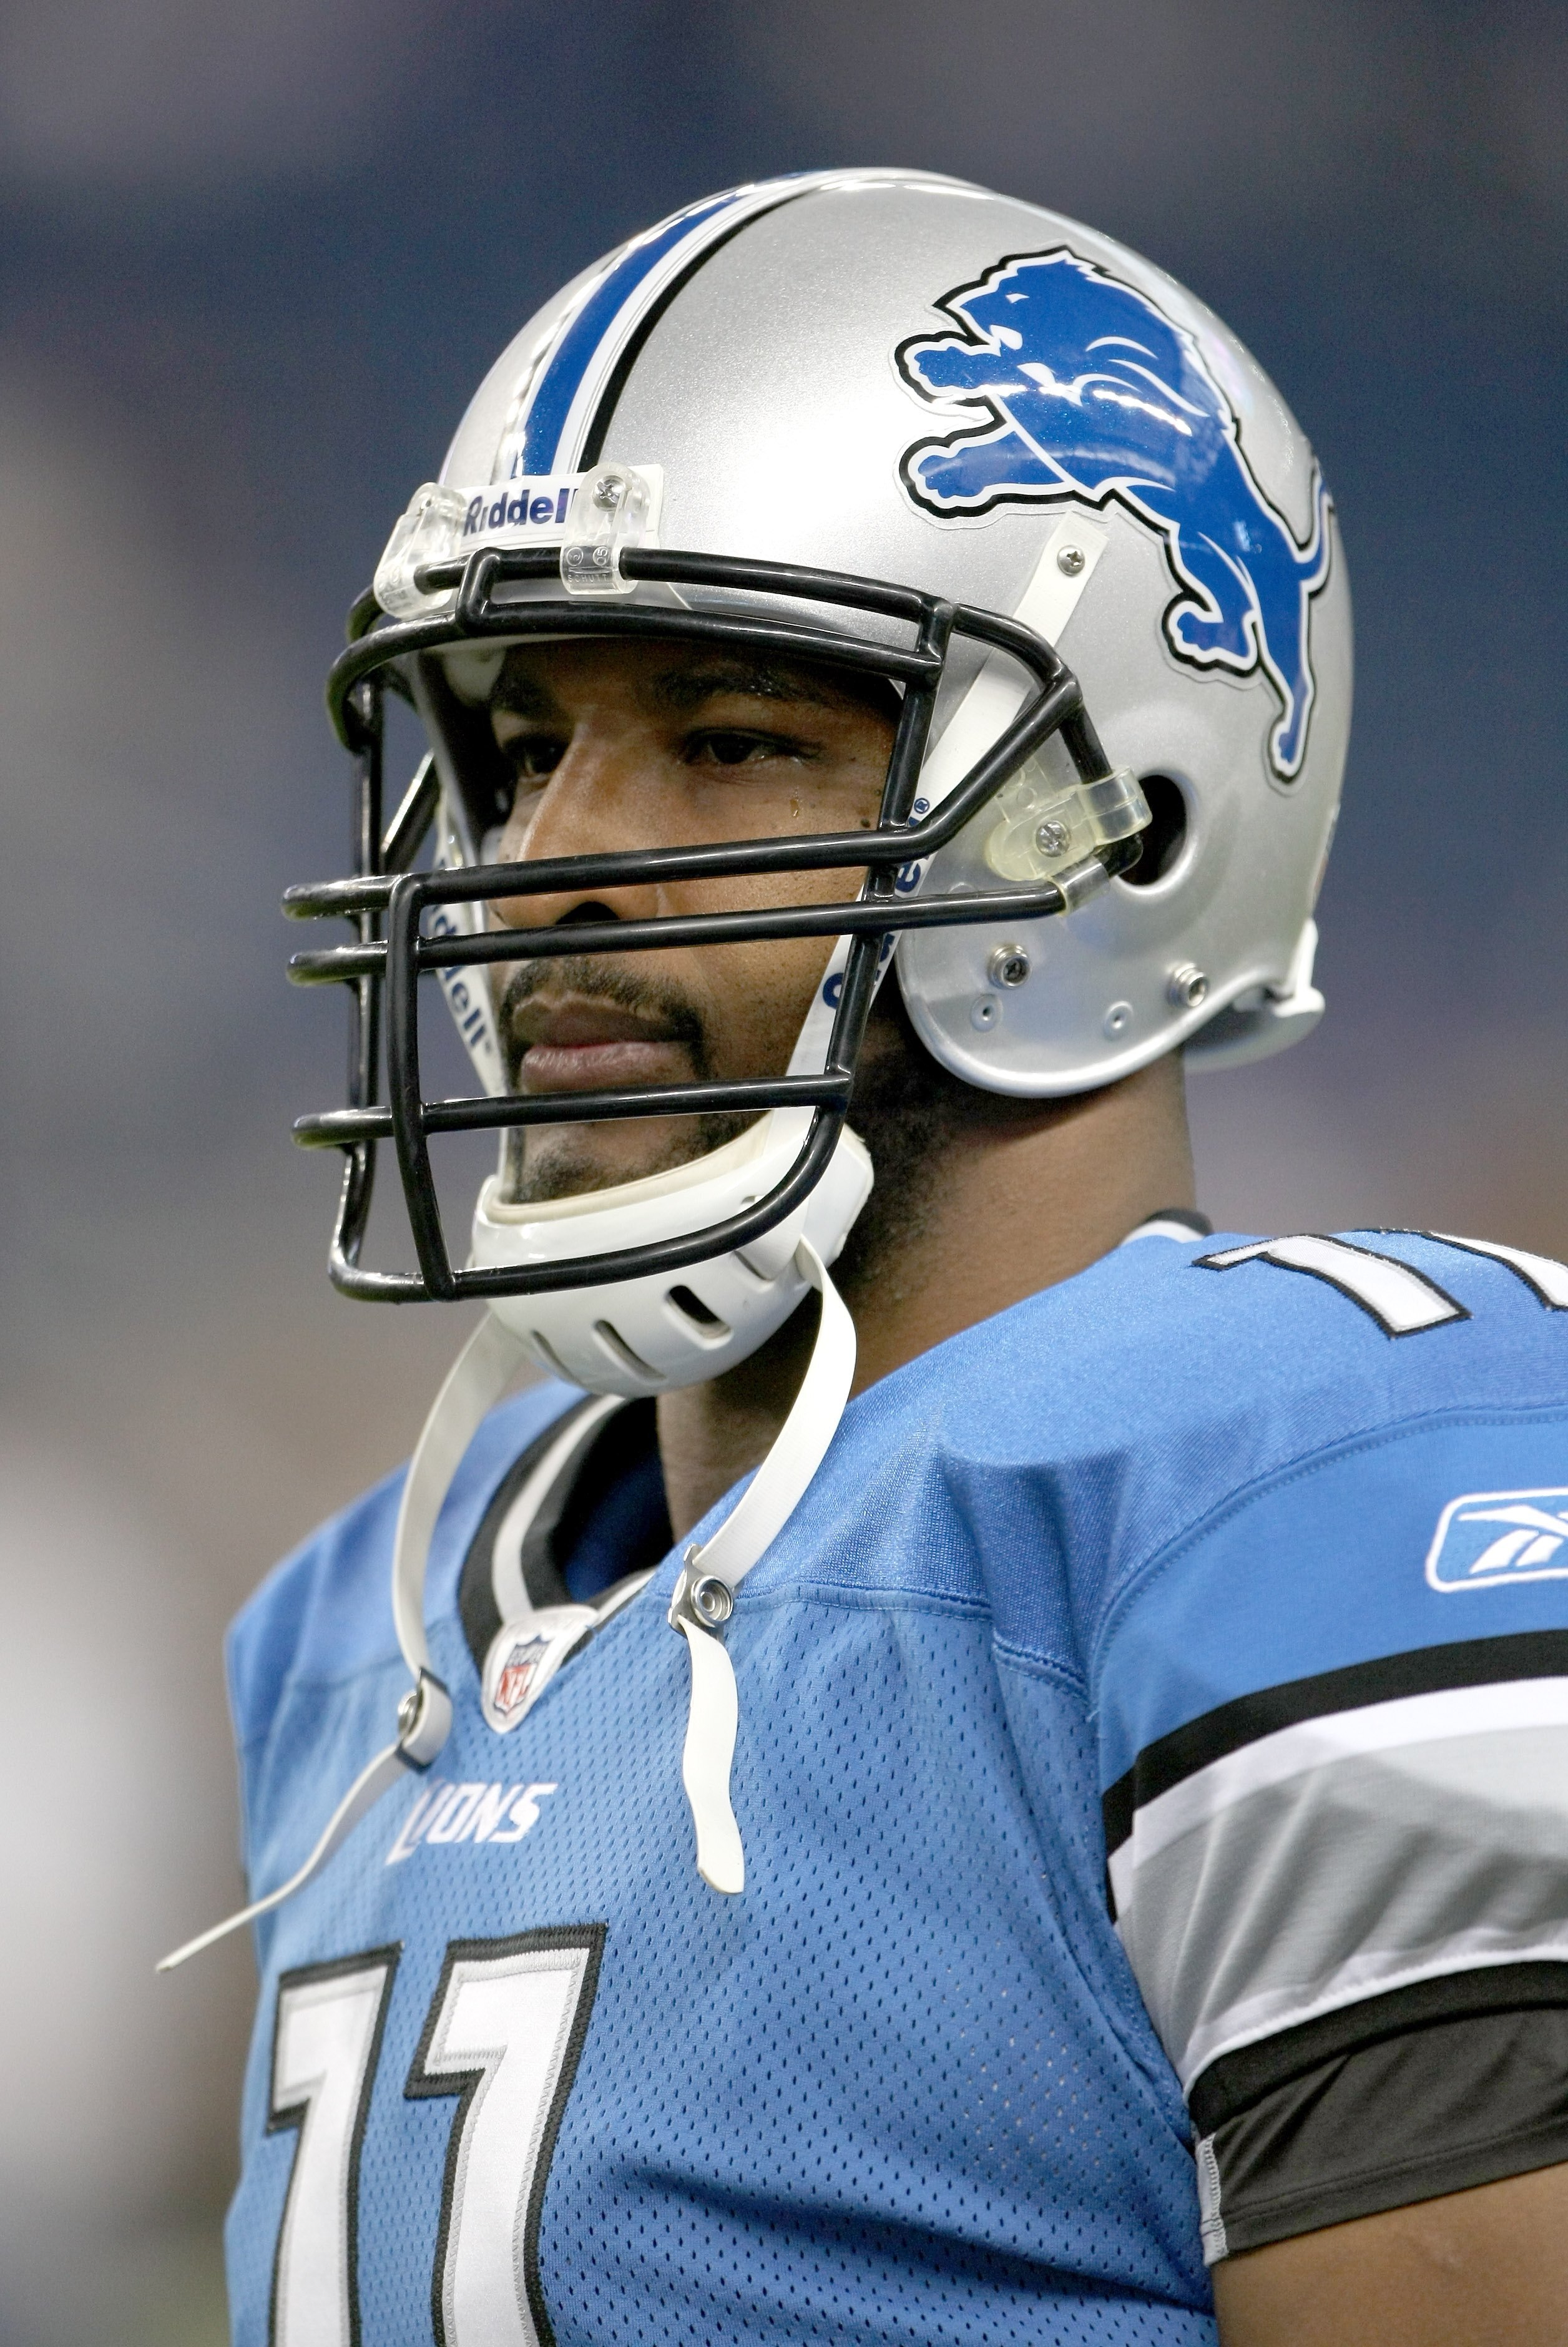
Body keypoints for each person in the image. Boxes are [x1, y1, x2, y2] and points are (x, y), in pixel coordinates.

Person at [180, 170, 1568, 2346]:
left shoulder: (1323, 1505)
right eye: (527, 749)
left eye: (728, 740)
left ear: (1138, 824)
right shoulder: (360, 1637)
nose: (545, 864)